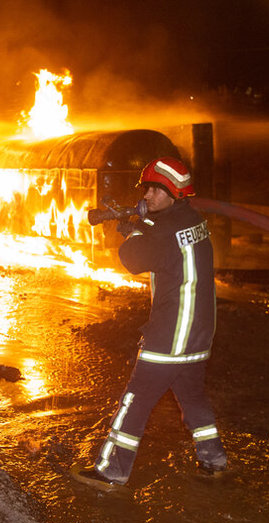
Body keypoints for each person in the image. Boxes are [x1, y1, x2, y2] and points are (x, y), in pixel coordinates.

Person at [77, 157, 225, 487]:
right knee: (193, 397)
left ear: (174, 192)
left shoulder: (165, 228)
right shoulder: (191, 219)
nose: (147, 196)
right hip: (199, 333)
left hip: (171, 333)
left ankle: (111, 470)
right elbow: (165, 248)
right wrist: (143, 227)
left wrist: (135, 230)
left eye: (155, 190)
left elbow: (132, 260)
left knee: (136, 399)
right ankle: (214, 458)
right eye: (146, 189)